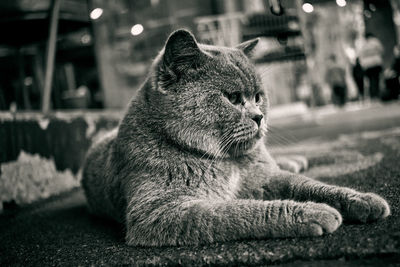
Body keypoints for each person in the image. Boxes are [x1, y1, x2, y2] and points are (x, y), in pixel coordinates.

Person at [358, 33, 384, 99]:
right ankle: (377, 94)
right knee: (376, 78)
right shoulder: (375, 41)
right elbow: (381, 50)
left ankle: (373, 94)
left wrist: (363, 64)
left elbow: (360, 55)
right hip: (376, 62)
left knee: (370, 80)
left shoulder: (363, 44)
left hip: (367, 65)